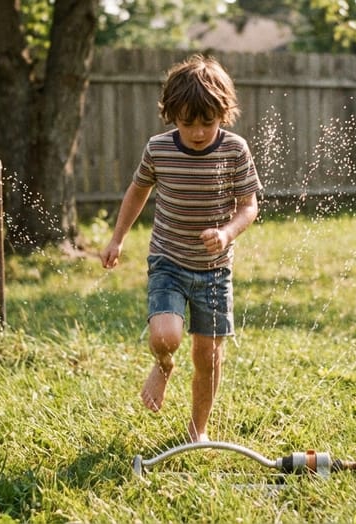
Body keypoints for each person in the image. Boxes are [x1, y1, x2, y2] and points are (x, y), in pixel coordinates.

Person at [100, 54, 262, 443]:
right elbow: (138, 190)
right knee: (165, 336)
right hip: (168, 261)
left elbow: (249, 206)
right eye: (187, 122)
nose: (198, 132)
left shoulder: (235, 150)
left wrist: (226, 233)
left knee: (207, 357)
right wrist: (117, 237)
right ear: (171, 114)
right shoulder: (159, 149)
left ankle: (197, 432)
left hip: (215, 269)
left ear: (224, 113)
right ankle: (163, 365)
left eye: (207, 122)